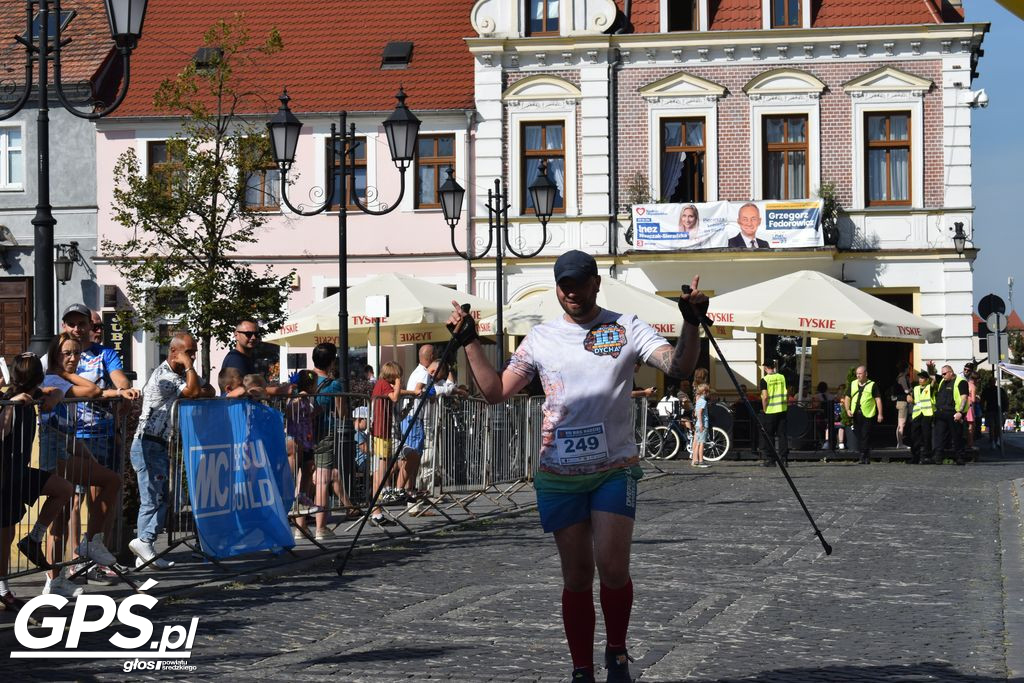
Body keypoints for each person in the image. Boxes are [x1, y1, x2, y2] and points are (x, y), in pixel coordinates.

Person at [445, 249, 707, 683]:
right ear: (556, 287)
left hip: (613, 468)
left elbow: (678, 366)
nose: (570, 291)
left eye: (578, 283)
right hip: (558, 474)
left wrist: (691, 322)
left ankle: (617, 653)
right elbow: (495, 393)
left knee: (613, 566)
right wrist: (470, 341)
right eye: (563, 284)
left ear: (595, 283)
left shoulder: (626, 327)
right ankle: (582, 668)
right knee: (578, 575)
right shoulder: (541, 338)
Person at [59, 305, 140, 584]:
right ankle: (74, 561)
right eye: (72, 324)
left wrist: (123, 390)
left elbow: (119, 380)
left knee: (101, 497)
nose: (78, 329)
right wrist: (111, 392)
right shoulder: (59, 357)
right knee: (72, 499)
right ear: (64, 326)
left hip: (101, 434)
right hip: (70, 435)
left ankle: (93, 553)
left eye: (83, 324)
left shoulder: (104, 354)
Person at [39, 333, 124, 594]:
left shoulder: (61, 379)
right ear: (55, 355)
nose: (74, 358)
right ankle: (88, 544)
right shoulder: (55, 379)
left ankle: (55, 580)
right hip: (52, 455)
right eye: (67, 353)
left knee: (61, 517)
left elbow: (66, 426)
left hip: (66, 446)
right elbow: (93, 390)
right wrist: (65, 374)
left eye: (77, 353)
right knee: (110, 480)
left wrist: (84, 452)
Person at [130, 332, 214, 569]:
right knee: (157, 498)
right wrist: (190, 370)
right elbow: (194, 392)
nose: (193, 357)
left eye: (194, 352)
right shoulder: (164, 376)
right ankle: (145, 540)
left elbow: (207, 390)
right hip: (148, 443)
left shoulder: (177, 375)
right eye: (189, 352)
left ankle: (143, 553)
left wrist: (196, 384)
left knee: (156, 498)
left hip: (157, 443)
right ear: (174, 351)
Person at [1, 353, 74, 608]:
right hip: (4, 477)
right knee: (5, 533)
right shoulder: (11, 402)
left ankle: (33, 538)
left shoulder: (32, 397)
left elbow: (56, 393)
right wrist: (10, 405)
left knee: (64, 488)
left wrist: (47, 396)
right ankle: (2, 589)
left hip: (20, 471)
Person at [369, 361, 417, 525]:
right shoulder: (383, 384)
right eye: (398, 376)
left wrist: (410, 397)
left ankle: (385, 501)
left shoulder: (383, 385)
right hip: (381, 432)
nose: (400, 380)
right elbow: (396, 396)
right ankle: (386, 492)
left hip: (386, 431)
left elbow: (397, 396)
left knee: (386, 465)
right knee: (381, 466)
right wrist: (398, 383)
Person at [218, 318, 290, 395]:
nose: (253, 338)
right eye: (248, 334)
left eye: (256, 334)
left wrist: (269, 386)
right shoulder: (235, 359)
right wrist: (279, 390)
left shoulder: (247, 357)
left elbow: (252, 386)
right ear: (236, 335)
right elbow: (244, 390)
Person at [844, 366, 882, 464]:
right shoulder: (853, 384)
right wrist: (847, 409)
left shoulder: (872, 385)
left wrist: (880, 414)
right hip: (856, 414)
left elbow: (878, 399)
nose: (858, 375)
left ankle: (864, 457)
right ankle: (865, 455)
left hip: (868, 413)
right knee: (859, 434)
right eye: (857, 373)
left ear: (866, 374)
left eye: (860, 373)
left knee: (865, 434)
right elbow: (847, 397)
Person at [932, 364, 968, 466]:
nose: (942, 376)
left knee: (957, 437)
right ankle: (938, 458)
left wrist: (960, 412)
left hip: (953, 414)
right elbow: (931, 375)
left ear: (950, 373)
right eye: (942, 374)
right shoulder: (942, 381)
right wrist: (930, 366)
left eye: (944, 374)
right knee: (940, 436)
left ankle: (959, 458)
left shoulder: (961, 382)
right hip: (941, 413)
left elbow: (964, 398)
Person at [759, 359, 789, 467]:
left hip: (770, 410)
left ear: (766, 368)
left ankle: (770, 459)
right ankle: (784, 459)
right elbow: (786, 392)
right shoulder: (782, 377)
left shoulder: (764, 380)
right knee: (782, 435)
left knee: (769, 435)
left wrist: (765, 409)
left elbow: (765, 396)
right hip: (782, 409)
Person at [908, 370, 934, 465]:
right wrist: (910, 399)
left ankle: (927, 457)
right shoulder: (916, 388)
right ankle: (915, 456)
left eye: (922, 378)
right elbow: (915, 400)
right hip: (917, 413)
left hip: (927, 414)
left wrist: (930, 367)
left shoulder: (929, 387)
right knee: (914, 436)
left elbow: (934, 380)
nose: (920, 380)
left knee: (926, 436)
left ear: (927, 380)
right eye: (919, 378)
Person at [982, 379, 1009, 449]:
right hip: (994, 410)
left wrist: (1005, 409)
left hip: (995, 410)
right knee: (995, 426)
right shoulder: (998, 390)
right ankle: (995, 440)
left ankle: (994, 440)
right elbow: (1005, 400)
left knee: (994, 426)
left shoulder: (995, 390)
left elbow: (1005, 400)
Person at [893, 362, 912, 449]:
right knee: (901, 423)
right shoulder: (903, 378)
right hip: (903, 402)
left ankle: (899, 442)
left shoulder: (898, 377)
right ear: (905, 369)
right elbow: (906, 391)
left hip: (899, 402)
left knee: (900, 423)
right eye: (908, 368)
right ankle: (900, 443)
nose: (909, 370)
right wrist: (912, 388)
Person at [692, 383, 710, 468]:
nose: (708, 393)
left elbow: (695, 413)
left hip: (697, 425)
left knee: (697, 443)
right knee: (701, 443)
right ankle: (701, 461)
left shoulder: (698, 401)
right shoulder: (703, 401)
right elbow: (699, 413)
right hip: (702, 424)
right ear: (704, 392)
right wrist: (702, 424)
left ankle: (695, 460)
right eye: (708, 391)